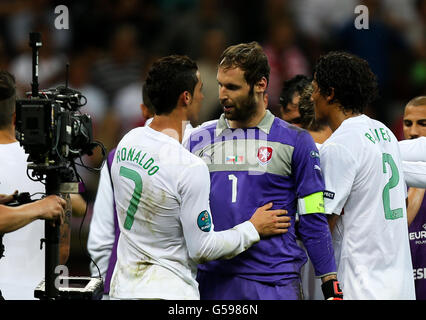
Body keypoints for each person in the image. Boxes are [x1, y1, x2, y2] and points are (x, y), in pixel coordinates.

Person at [108, 55, 290, 300]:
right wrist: (252, 228)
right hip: (168, 292)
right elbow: (202, 248)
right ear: (186, 97)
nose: (204, 97)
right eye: (200, 90)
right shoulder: (189, 167)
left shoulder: (127, 142)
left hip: (123, 289)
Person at [188, 42, 341, 300]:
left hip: (273, 284)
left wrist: (331, 286)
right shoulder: (197, 141)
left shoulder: (296, 141)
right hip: (211, 284)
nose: (222, 94)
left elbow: (313, 219)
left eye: (233, 87)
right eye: (220, 84)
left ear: (260, 84)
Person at [311, 51, 415, 299]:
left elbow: (322, 223)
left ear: (330, 93)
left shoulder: (339, 146)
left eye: (315, 89)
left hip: (361, 287)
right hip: (400, 287)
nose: (312, 96)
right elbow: (401, 202)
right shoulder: (385, 132)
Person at [0, 70, 69, 300]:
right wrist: (42, 206)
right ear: (15, 115)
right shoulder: (48, 157)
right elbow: (63, 250)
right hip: (40, 290)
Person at [88, 83, 156, 298]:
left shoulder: (116, 157)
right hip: (173, 288)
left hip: (121, 285)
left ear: (144, 110)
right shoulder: (194, 158)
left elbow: (101, 239)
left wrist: (103, 285)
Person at [403, 95, 426, 300]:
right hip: (404, 285)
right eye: (408, 124)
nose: (413, 132)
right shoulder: (391, 177)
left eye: (422, 124)